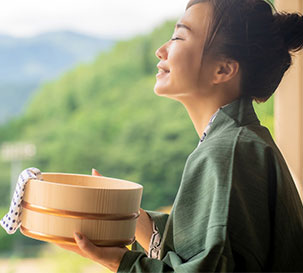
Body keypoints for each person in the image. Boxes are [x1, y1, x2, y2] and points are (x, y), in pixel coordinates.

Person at [56, 0, 303, 272]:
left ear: (223, 69)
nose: (160, 50)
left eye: (178, 37)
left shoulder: (228, 151)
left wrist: (118, 261)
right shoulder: (239, 142)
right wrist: (135, 221)